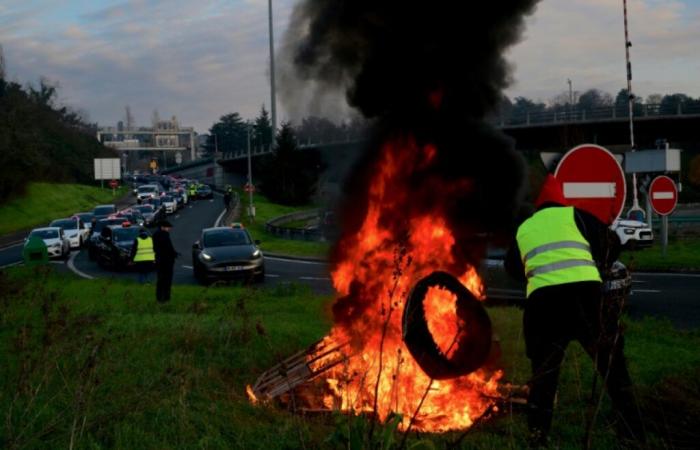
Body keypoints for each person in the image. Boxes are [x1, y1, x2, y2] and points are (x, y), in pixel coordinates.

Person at [505, 175, 645, 447]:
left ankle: (538, 437)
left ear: (539, 206)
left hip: (543, 306)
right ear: (561, 201)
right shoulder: (578, 217)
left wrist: (538, 271)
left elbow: (512, 269)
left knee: (544, 378)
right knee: (613, 368)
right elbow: (611, 244)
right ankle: (632, 435)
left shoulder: (525, 227)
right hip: (586, 299)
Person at [152, 220, 178, 303]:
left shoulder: (155, 235)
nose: (169, 229)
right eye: (168, 227)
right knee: (167, 280)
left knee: (160, 280)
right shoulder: (165, 235)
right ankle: (166, 298)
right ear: (162, 227)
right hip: (167, 261)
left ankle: (159, 297)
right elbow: (168, 247)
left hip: (159, 260)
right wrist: (174, 254)